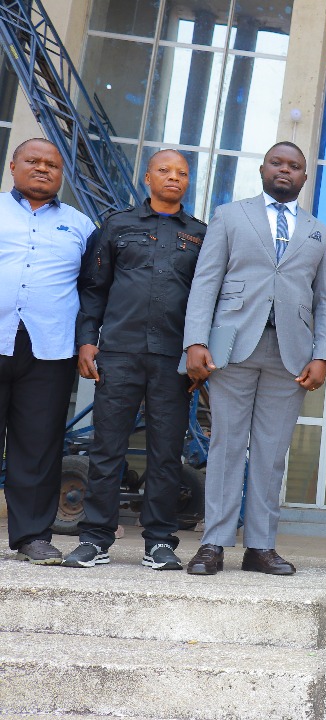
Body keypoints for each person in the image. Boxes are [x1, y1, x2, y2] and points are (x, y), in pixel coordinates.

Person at [183, 141, 326, 576]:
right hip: (231, 347)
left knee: (271, 454)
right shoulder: (230, 215)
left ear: (305, 177)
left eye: (295, 166)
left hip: (290, 355)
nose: (285, 170)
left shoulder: (319, 233)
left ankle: (261, 547)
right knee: (227, 445)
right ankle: (213, 543)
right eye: (277, 163)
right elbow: (206, 280)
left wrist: (322, 355)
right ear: (263, 169)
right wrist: (196, 340)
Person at [63, 149, 206, 571]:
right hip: (120, 353)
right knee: (107, 449)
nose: (173, 178)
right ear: (148, 177)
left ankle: (159, 542)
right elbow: (94, 288)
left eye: (181, 173)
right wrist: (87, 341)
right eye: (164, 170)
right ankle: (95, 538)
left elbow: (207, 298)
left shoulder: (200, 235)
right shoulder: (117, 225)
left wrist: (199, 357)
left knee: (165, 453)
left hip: (172, 359)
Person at [0, 138, 96, 564]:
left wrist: (88, 340)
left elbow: (93, 290)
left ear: (62, 175)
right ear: (12, 166)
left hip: (49, 349)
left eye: (52, 165)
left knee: (38, 446)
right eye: (33, 162)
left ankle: (32, 537)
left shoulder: (82, 226)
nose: (42, 169)